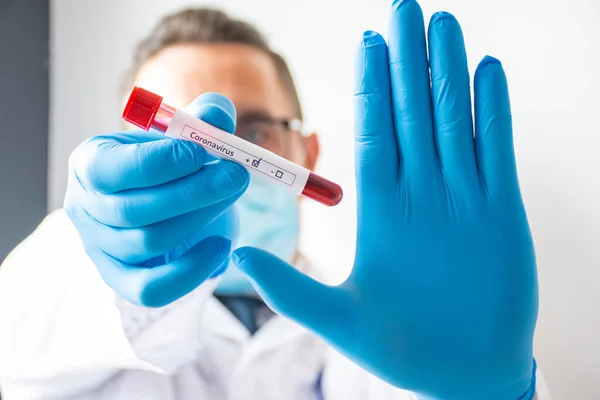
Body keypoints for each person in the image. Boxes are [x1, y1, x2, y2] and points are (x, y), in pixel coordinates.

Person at [0, 1, 552, 399]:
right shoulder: (74, 303)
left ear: (306, 154)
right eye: (180, 140)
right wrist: (93, 259)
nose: (225, 159)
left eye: (257, 131)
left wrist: (484, 394)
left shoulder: (389, 335)